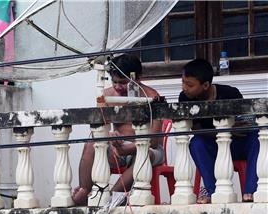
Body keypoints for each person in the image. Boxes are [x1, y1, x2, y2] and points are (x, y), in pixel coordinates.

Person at [72, 54, 162, 205]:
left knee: (144, 153)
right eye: (115, 82)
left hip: (148, 148)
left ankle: (113, 197)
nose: (118, 87)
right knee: (90, 144)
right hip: (117, 147)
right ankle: (84, 193)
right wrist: (113, 141)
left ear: (137, 78)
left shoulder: (152, 97)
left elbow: (152, 140)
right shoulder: (106, 96)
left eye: (123, 82)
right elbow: (100, 130)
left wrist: (126, 149)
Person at [179, 58, 259, 204]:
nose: (184, 87)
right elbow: (197, 130)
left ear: (205, 85)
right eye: (183, 82)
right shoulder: (185, 98)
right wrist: (225, 131)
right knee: (196, 143)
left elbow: (243, 122)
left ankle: (251, 191)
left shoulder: (230, 93)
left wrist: (242, 127)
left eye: (189, 84)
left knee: (257, 139)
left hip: (236, 145)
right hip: (212, 147)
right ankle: (212, 191)